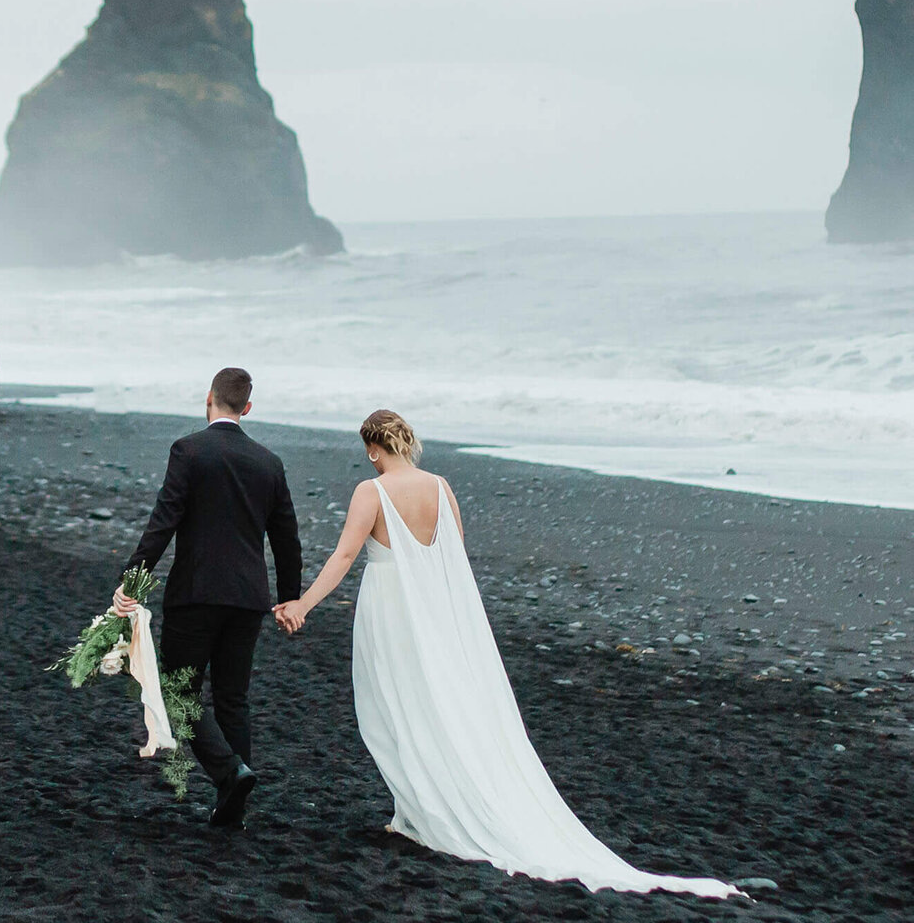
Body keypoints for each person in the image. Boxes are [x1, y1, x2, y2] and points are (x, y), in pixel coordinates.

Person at [273, 409, 741, 896]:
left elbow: (345, 555)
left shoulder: (370, 492)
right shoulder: (441, 487)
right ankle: (411, 810)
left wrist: (303, 604)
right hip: (432, 609)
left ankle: (417, 810)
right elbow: (453, 559)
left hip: (389, 611)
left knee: (395, 706)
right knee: (439, 705)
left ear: (373, 449)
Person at [115, 368, 301, 829]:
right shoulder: (269, 462)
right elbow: (286, 538)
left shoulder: (189, 450)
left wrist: (132, 581)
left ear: (209, 399)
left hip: (196, 594)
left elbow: (164, 521)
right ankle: (233, 803)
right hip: (248, 598)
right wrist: (289, 598)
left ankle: (230, 772)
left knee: (180, 694)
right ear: (248, 408)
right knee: (233, 699)